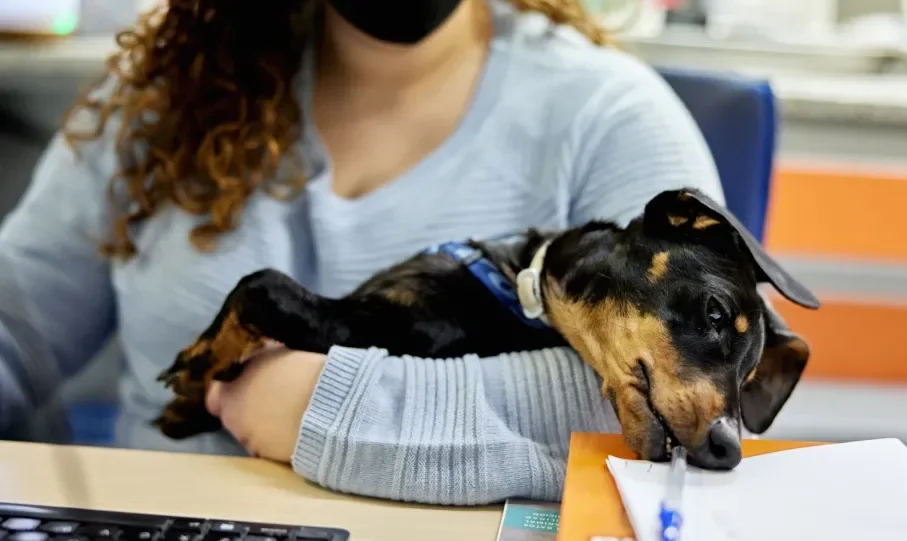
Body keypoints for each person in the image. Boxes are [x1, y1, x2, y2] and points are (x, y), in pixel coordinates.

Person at [0, 0, 723, 505]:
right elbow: (15, 329)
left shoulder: (611, 118)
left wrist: (335, 408)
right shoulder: (162, 99)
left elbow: (686, 407)